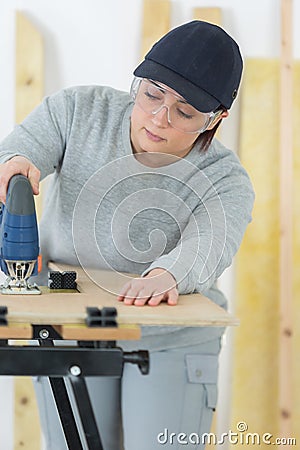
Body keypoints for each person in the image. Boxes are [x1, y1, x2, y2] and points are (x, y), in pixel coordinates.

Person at [0, 20, 254, 450]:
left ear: (216, 119)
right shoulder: (79, 109)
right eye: (152, 93)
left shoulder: (226, 178)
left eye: (185, 112)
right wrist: (17, 164)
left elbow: (209, 243)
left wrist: (167, 275)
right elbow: (23, 146)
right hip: (73, 325)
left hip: (170, 340)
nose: (159, 117)